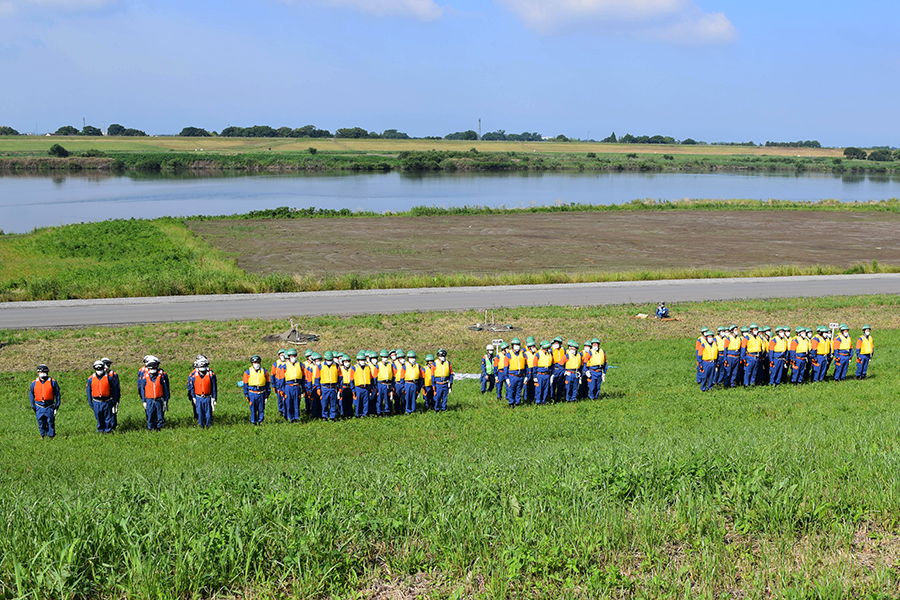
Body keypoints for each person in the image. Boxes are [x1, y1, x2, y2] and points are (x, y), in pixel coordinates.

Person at [87, 359, 120, 433]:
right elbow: (88, 391)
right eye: (97, 369)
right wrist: (90, 402)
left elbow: (115, 390)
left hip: (107, 401)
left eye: (100, 368)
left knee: (108, 418)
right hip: (96, 402)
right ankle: (100, 431)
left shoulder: (109, 378)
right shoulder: (90, 379)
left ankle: (108, 431)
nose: (99, 370)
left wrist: (115, 401)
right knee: (99, 417)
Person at [29, 364, 61, 439]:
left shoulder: (53, 382)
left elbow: (57, 394)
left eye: (44, 371)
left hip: (49, 406)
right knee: (41, 422)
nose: (42, 373)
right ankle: (43, 435)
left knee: (50, 421)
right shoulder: (34, 383)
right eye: (40, 371)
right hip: (39, 406)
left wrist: (57, 404)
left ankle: (51, 436)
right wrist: (33, 405)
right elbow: (31, 395)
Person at [138, 357, 169, 431]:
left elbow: (165, 388)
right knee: (150, 415)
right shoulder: (145, 377)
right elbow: (142, 389)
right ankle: (151, 429)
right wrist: (144, 401)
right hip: (149, 400)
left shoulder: (161, 376)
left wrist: (165, 400)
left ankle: (159, 428)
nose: (152, 369)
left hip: (159, 399)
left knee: (160, 415)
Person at [187, 356, 217, 428]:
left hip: (208, 397)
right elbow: (191, 387)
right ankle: (201, 426)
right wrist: (193, 397)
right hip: (198, 397)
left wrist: (214, 398)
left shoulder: (211, 374)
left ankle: (208, 426)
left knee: (208, 414)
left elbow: (214, 387)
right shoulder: (194, 375)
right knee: (200, 413)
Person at [242, 355, 270, 425]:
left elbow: (268, 383)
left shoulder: (264, 371)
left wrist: (267, 394)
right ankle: (253, 422)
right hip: (252, 393)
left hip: (261, 392)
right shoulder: (248, 372)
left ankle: (260, 421)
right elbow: (245, 384)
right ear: (252, 363)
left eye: (257, 362)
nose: (256, 364)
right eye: (254, 363)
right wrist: (246, 394)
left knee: (261, 409)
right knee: (253, 409)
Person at [316, 351, 341, 420]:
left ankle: (333, 416)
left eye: (330, 360)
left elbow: (340, 377)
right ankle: (325, 416)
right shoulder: (320, 366)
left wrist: (340, 387)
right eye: (328, 360)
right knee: (324, 403)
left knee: (333, 402)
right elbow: (317, 378)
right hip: (324, 387)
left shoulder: (336, 365)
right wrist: (318, 388)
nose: (329, 361)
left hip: (333, 387)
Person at [282, 349, 304, 422]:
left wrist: (303, 387)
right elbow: (281, 379)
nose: (293, 357)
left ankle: (296, 417)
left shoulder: (300, 365)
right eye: (291, 356)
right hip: (288, 385)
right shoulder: (285, 366)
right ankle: (290, 417)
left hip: (297, 386)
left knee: (296, 402)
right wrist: (282, 389)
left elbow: (303, 376)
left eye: (294, 356)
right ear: (289, 357)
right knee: (289, 402)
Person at [506, 338, 528, 407]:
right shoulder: (508, 355)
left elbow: (526, 366)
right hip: (512, 375)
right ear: (512, 345)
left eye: (518, 344)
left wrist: (526, 376)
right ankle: (511, 402)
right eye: (515, 345)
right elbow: (505, 368)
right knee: (511, 390)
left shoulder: (523, 355)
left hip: (521, 375)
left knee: (519, 390)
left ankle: (517, 402)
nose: (517, 346)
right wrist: (506, 378)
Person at [100, 357, 120, 431]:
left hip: (112, 398)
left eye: (108, 364)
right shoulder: (98, 376)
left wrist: (117, 400)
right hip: (103, 399)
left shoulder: (114, 375)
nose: (106, 366)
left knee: (113, 414)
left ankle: (112, 428)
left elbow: (117, 388)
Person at [351, 352, 373, 417]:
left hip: (366, 387)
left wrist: (371, 387)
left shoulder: (367, 367)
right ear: (358, 360)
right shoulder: (354, 368)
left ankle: (365, 414)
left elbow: (370, 377)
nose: (362, 361)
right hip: (358, 387)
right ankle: (357, 414)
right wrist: (353, 390)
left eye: (363, 360)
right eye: (361, 360)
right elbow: (351, 380)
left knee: (366, 402)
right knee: (358, 402)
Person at [374, 350, 395, 416]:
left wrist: (392, 385)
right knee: (379, 399)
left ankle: (387, 411)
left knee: (387, 399)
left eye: (386, 357)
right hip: (380, 384)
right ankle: (379, 412)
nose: (385, 358)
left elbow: (393, 375)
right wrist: (375, 386)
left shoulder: (390, 365)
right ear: (381, 357)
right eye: (383, 357)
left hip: (388, 384)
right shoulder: (378, 365)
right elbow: (375, 377)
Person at [534, 340, 554, 405]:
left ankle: (544, 401)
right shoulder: (538, 354)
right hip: (540, 374)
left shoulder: (550, 354)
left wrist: (552, 374)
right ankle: (538, 401)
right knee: (539, 389)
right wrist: (535, 376)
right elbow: (534, 365)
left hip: (547, 374)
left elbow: (552, 364)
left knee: (546, 389)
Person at [272, 349, 287, 419]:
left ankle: (285, 411)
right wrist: (274, 385)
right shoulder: (275, 364)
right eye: (281, 355)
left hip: (286, 384)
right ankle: (281, 411)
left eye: (284, 355)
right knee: (280, 399)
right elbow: (272, 375)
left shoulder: (287, 363)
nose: (283, 356)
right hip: (278, 384)